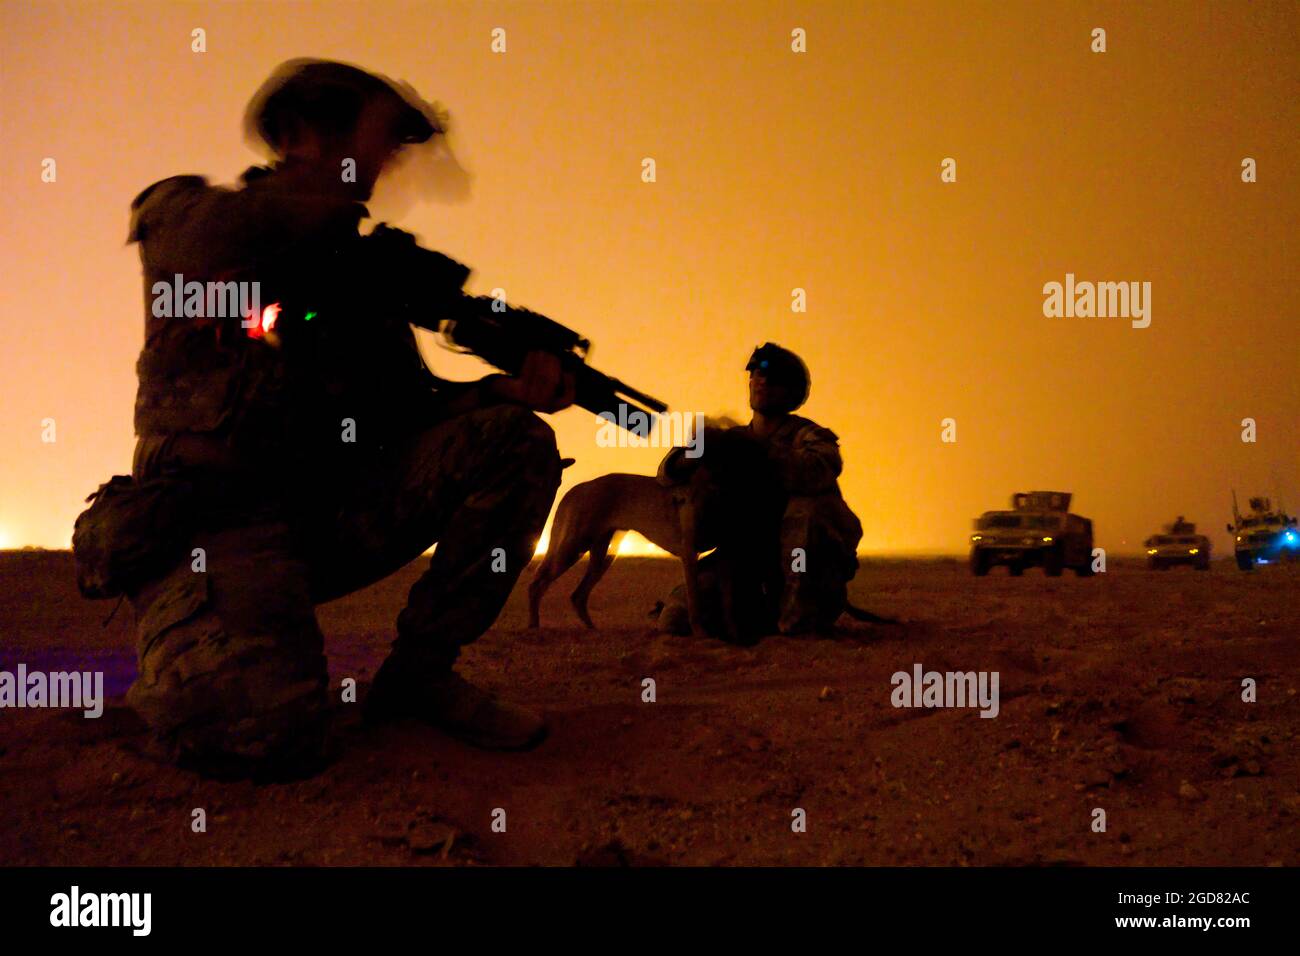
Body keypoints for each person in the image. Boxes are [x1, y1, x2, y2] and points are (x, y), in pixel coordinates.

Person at [121, 59, 575, 778]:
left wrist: (500, 393)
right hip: (214, 532)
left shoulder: (356, 276)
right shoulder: (193, 216)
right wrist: (339, 229)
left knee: (513, 443)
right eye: (376, 137)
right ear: (300, 132)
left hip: (319, 522)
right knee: (262, 740)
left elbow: (410, 416)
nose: (384, 163)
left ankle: (417, 677)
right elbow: (193, 240)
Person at [655, 343, 863, 638]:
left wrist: (755, 452)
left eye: (772, 376)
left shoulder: (807, 436)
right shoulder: (732, 439)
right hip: (745, 563)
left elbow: (820, 470)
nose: (760, 380)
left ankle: (796, 616)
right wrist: (699, 450)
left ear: (792, 391)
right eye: (754, 374)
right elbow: (666, 473)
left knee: (808, 511)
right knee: (676, 618)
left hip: (801, 568)